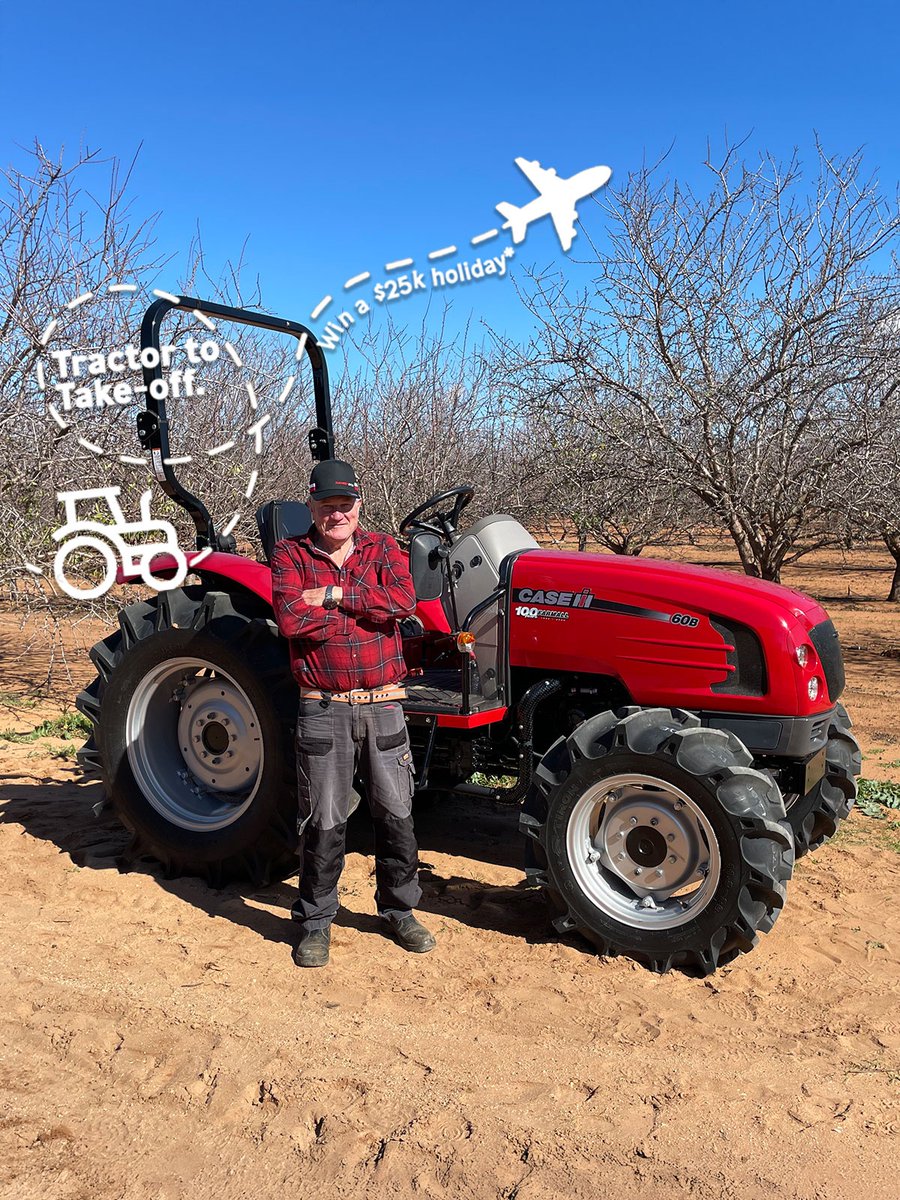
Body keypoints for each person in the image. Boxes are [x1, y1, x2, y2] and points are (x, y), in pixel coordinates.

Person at [269, 458, 436, 967]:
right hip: (324, 707)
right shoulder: (290, 554)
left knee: (397, 812)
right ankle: (316, 921)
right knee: (322, 819)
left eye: (345, 504)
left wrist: (336, 596)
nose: (336, 514)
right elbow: (291, 620)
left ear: (358, 505)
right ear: (311, 505)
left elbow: (403, 601)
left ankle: (399, 909)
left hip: (383, 703)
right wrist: (366, 612)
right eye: (327, 505)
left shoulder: (383, 547)